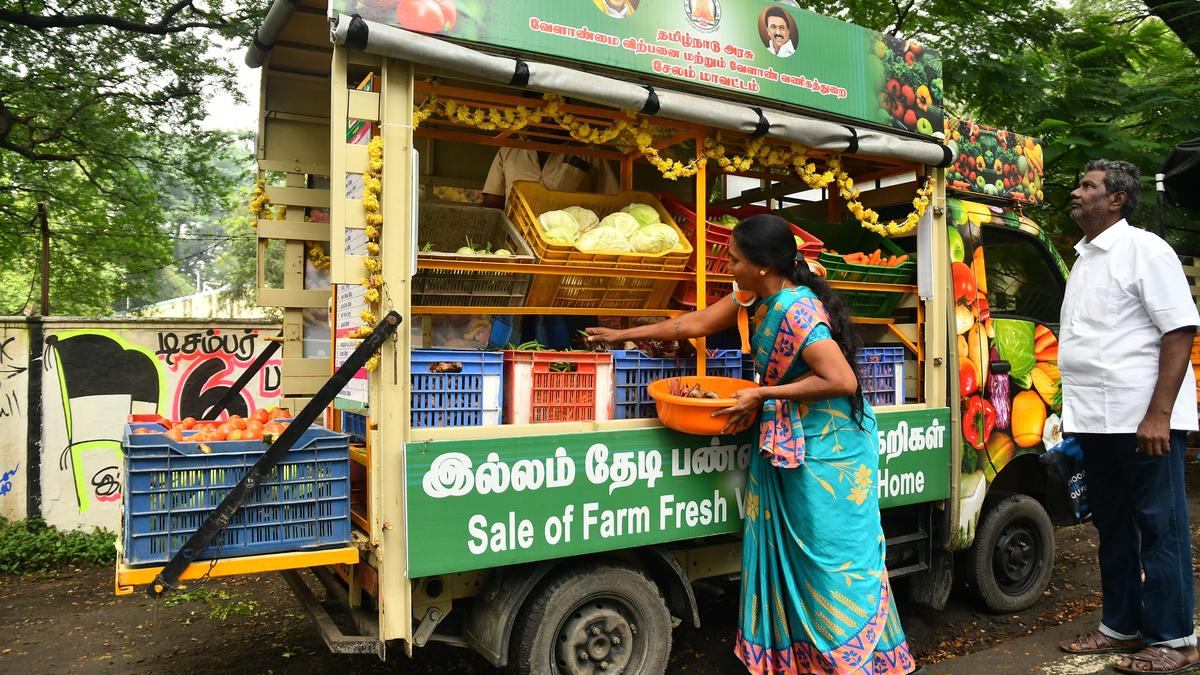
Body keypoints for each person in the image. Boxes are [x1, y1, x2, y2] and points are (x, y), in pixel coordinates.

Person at [586, 215, 916, 675]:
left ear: (762, 266)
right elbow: (695, 324)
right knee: (793, 560)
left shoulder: (797, 310)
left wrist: (763, 394)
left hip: (829, 452)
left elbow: (840, 380)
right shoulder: (756, 295)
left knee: (829, 560)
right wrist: (622, 336)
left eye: (735, 260)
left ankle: (855, 661)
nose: (729, 267)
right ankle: (802, 660)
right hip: (792, 443)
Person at [1056, 159, 1200, 674]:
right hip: (1096, 422)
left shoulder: (1146, 249)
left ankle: (1175, 640)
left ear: (1116, 199)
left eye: (1087, 185)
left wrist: (1160, 414)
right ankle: (1122, 628)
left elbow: (1179, 329)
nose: (1076, 191)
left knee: (1160, 527)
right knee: (1114, 527)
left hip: (1144, 422)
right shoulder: (1085, 258)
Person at [480, 147, 619, 209]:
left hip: (568, 246)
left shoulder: (590, 152)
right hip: (514, 243)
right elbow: (493, 203)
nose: (548, 119)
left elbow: (612, 203)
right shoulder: (509, 149)